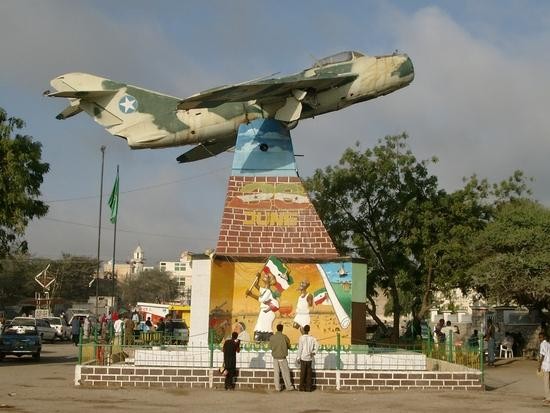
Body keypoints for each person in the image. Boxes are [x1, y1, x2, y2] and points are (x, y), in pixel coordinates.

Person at [269, 324, 294, 391]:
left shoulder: (272, 337)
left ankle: (277, 388)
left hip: (275, 358)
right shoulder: (285, 337)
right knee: (285, 372)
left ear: (277, 329)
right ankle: (288, 386)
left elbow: (270, 347)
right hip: (283, 358)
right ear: (282, 329)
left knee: (276, 373)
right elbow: (289, 345)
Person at [296, 324, 318, 392]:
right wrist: (314, 352)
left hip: (303, 358)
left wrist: (298, 357)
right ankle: (309, 388)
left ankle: (301, 387)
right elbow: (317, 345)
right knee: (309, 374)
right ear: (309, 330)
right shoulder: (312, 338)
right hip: (309, 358)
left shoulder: (301, 338)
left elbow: (300, 349)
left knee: (302, 373)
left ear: (303, 330)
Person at [538, 331, 550, 406]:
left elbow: (542, 355)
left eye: (541, 337)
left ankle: (548, 398)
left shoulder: (542, 344)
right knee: (548, 381)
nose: (540, 339)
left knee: (546, 382)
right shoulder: (548, 344)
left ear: (544, 337)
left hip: (546, 365)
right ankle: (547, 397)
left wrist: (539, 365)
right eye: (539, 337)